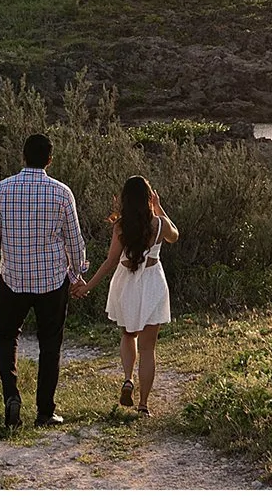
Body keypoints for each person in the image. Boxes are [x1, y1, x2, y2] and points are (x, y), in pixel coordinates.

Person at [0, 132, 89, 428]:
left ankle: (12, 397)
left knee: (6, 338)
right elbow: (74, 240)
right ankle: (45, 412)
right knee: (50, 344)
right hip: (51, 281)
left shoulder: (2, 190)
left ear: (23, 157)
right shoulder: (62, 193)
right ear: (50, 159)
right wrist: (78, 273)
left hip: (13, 281)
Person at [85, 174, 177, 414]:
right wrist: (159, 208)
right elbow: (174, 235)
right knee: (148, 349)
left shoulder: (121, 225)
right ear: (148, 198)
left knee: (128, 335)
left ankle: (128, 379)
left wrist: (87, 286)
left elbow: (110, 261)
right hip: (153, 282)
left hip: (127, 283)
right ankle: (144, 405)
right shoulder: (158, 224)